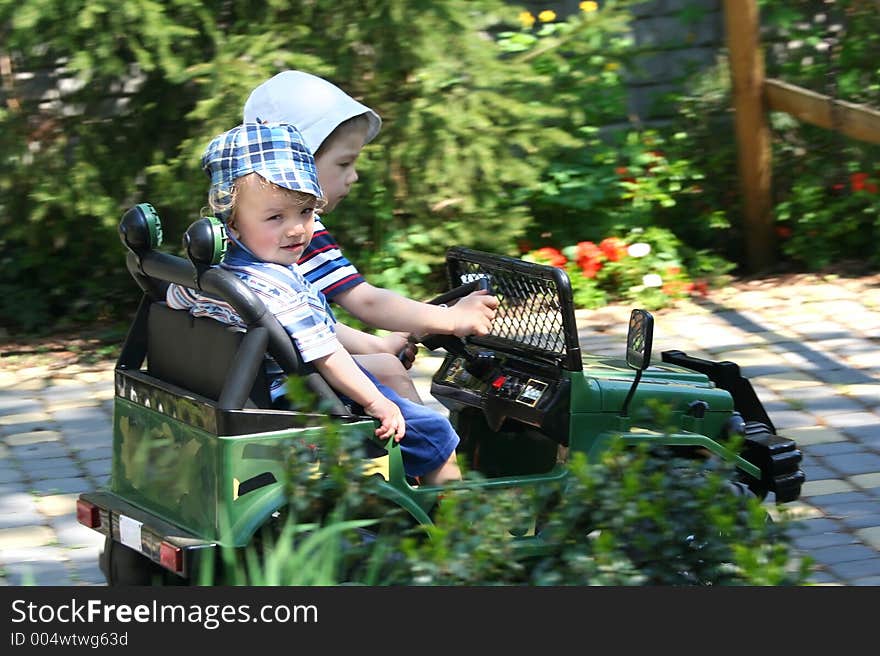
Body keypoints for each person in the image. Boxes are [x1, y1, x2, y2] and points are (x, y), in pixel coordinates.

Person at [170, 121, 461, 485]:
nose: (296, 229)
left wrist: (379, 348)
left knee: (386, 368)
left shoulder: (209, 273)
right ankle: (455, 523)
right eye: (276, 217)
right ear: (233, 221)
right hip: (302, 408)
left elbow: (177, 301)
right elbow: (326, 353)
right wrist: (376, 404)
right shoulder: (274, 286)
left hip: (255, 395)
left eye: (305, 212)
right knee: (435, 433)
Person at [242, 70, 499, 402]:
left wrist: (376, 344)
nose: (354, 176)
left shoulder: (244, 226)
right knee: (390, 375)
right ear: (297, 163)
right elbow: (367, 302)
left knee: (381, 360)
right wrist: (452, 318)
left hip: (254, 376)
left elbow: (302, 322)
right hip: (282, 387)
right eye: (344, 163)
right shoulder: (296, 233)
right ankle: (437, 456)